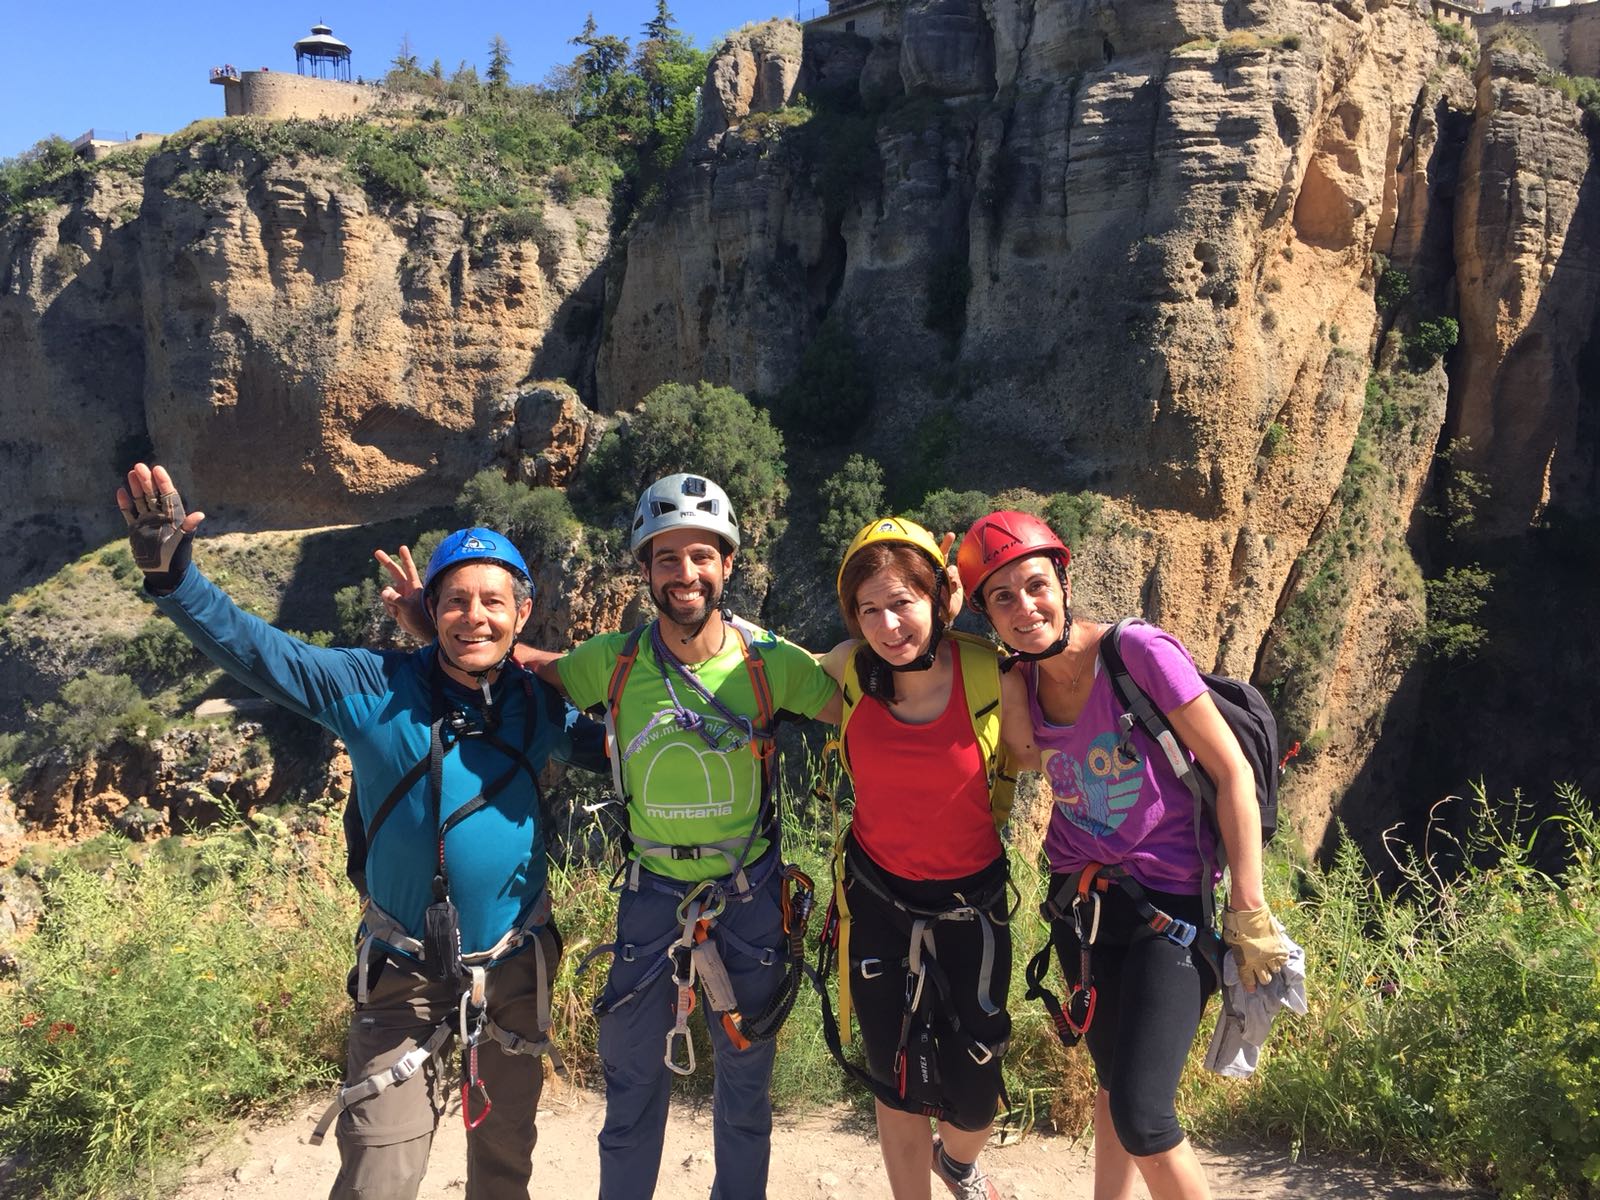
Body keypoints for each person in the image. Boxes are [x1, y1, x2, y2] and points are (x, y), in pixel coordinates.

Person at [115, 463, 603, 1200]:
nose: (476, 616)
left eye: (493, 602)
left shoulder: (538, 706)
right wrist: (176, 579)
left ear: (523, 613)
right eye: (456, 601)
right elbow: (260, 653)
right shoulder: (372, 684)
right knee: (378, 1173)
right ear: (429, 609)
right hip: (403, 981)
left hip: (514, 974)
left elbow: (635, 741)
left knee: (505, 1168)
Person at [378, 473, 841, 1200]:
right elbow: (523, 668)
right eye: (665, 558)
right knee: (631, 1090)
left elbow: (865, 700)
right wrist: (431, 627)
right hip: (653, 895)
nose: (684, 574)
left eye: (700, 556)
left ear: (727, 565)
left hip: (749, 899)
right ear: (645, 570)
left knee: (745, 1098)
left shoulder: (771, 664)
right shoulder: (614, 662)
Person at [955, 510, 1290, 1200]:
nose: (1026, 608)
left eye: (1035, 585)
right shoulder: (1021, 682)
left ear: (1063, 581)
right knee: (1111, 1089)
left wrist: (1247, 907)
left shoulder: (1137, 653)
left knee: (1144, 1116)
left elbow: (1230, 773)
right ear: (986, 613)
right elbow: (1022, 752)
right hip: (1084, 909)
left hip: (1171, 908)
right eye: (1003, 597)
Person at [816, 517, 1037, 1200]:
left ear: (943, 597)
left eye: (903, 602)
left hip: (972, 901)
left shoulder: (990, 674)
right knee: (894, 1075)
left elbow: (1039, 751)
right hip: (877, 896)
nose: (888, 625)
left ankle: (959, 1162)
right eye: (869, 610)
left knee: (976, 1085)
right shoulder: (848, 670)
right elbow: (752, 673)